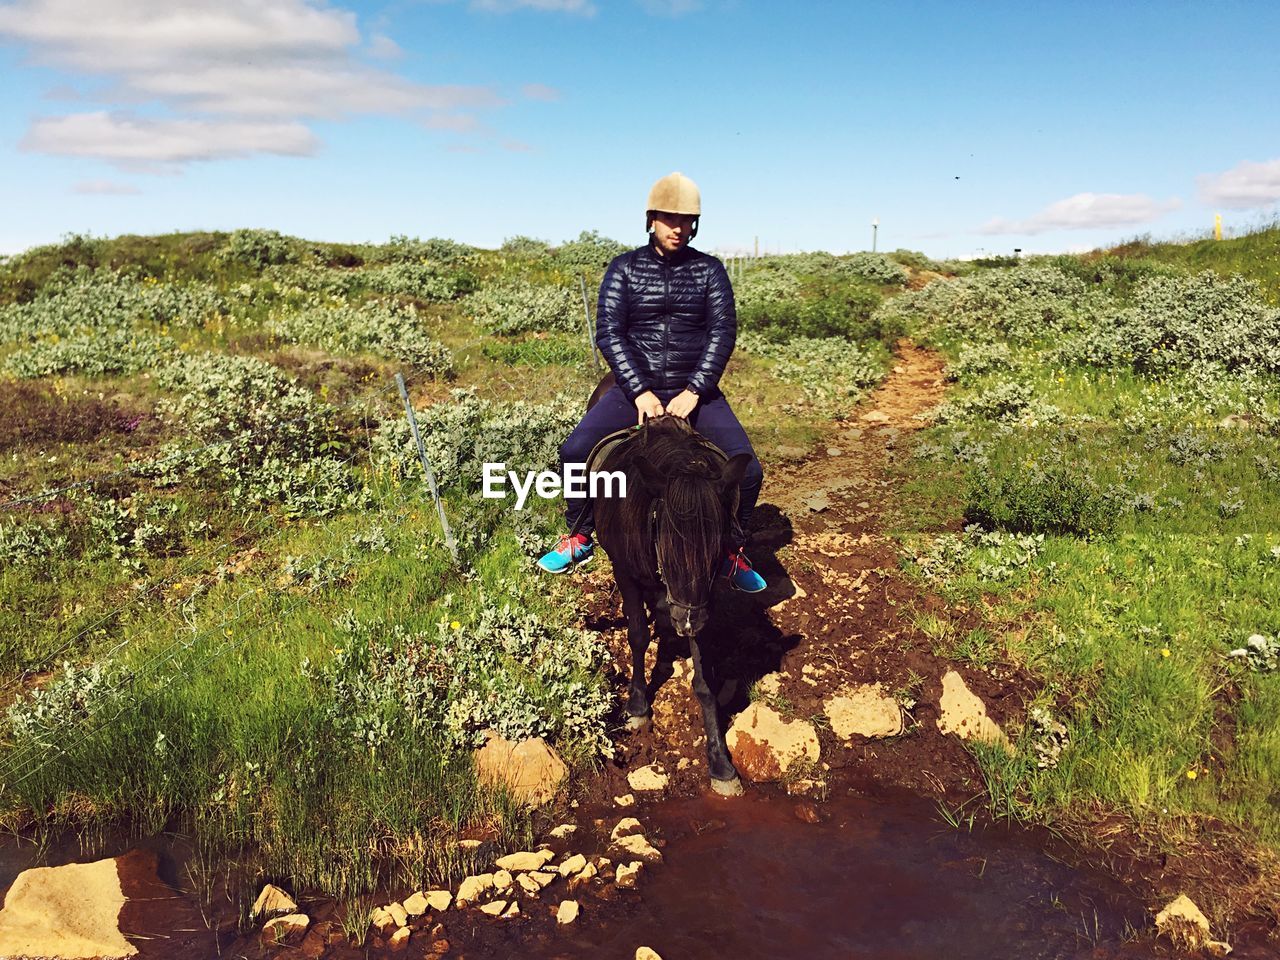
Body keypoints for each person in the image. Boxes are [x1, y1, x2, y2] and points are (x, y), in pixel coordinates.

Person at [535, 172, 766, 592]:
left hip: (696, 392)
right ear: (651, 219)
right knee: (573, 452)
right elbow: (609, 331)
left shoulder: (710, 271)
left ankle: (733, 549)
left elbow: (722, 333)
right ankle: (580, 534)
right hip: (632, 389)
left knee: (748, 471)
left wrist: (695, 390)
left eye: (685, 219)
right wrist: (638, 389)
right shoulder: (623, 268)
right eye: (668, 217)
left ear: (695, 224)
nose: (677, 227)